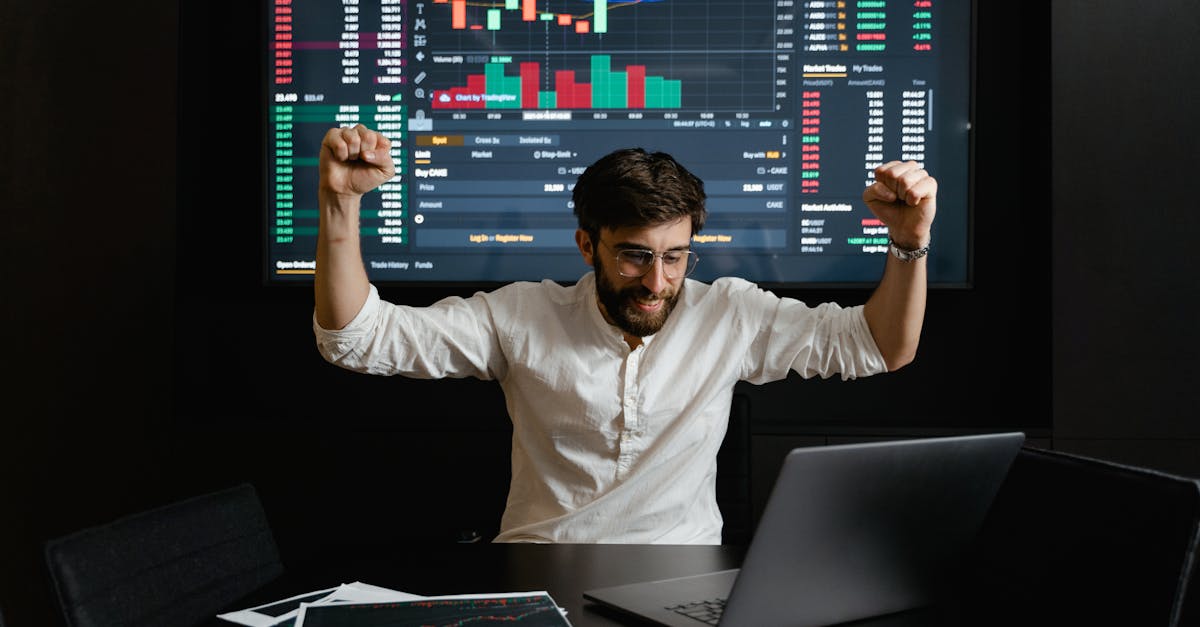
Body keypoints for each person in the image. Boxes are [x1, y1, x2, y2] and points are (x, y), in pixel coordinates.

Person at [313, 124, 937, 544]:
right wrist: (340, 205)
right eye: (634, 255)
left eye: (675, 256)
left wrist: (909, 244)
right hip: (538, 575)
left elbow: (879, 346)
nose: (657, 282)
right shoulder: (522, 314)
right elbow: (357, 338)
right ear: (588, 245)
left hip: (684, 583)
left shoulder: (730, 314)